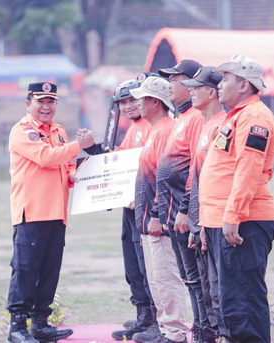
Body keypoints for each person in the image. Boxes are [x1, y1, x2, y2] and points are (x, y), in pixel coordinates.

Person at [6, 82, 95, 343]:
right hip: (32, 212)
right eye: (40, 101)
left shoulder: (58, 131)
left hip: (57, 213)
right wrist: (79, 146)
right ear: (28, 104)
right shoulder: (23, 131)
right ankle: (17, 327)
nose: (46, 107)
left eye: (51, 102)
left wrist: (86, 173)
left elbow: (67, 169)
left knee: (49, 271)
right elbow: (46, 158)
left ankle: (41, 324)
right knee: (25, 270)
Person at [199, 55, 274, 343]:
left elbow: (248, 169)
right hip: (225, 221)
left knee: (243, 302)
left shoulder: (254, 117)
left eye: (226, 79)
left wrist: (232, 216)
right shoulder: (237, 116)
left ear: (243, 85)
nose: (219, 85)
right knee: (232, 303)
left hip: (244, 221)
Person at [76, 78, 158, 340]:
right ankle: (143, 315)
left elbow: (155, 169)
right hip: (129, 206)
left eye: (132, 100)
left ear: (144, 99)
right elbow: (114, 162)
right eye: (123, 102)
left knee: (149, 265)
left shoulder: (152, 126)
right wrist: (91, 149)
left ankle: (158, 319)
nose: (128, 106)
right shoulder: (133, 129)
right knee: (133, 263)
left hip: (146, 204)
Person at [129, 76, 188, 343]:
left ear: (155, 101)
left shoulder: (166, 129)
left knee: (165, 277)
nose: (137, 103)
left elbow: (165, 178)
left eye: (142, 99)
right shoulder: (156, 129)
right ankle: (166, 330)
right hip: (148, 219)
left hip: (159, 220)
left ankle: (175, 333)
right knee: (156, 278)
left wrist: (155, 215)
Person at [156, 59, 209, 341]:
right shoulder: (181, 118)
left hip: (185, 210)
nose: (170, 84)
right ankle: (199, 326)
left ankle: (204, 328)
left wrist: (186, 209)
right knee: (190, 276)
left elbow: (194, 168)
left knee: (197, 276)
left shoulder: (197, 118)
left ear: (190, 86)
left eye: (175, 79)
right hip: (174, 210)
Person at [177, 66, 226, 343]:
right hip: (200, 218)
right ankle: (209, 333)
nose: (191, 92)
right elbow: (196, 178)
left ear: (211, 91)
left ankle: (220, 335)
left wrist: (204, 222)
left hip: (212, 219)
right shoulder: (206, 124)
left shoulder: (222, 124)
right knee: (206, 285)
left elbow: (216, 179)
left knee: (218, 287)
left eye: (196, 87)